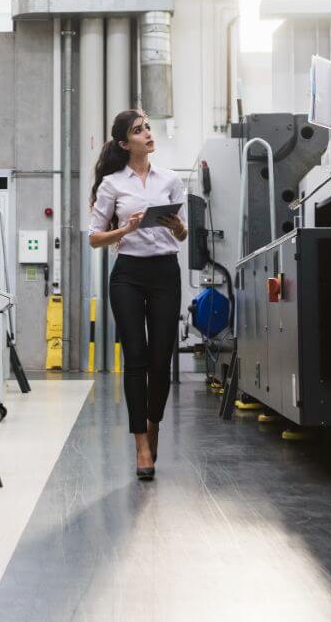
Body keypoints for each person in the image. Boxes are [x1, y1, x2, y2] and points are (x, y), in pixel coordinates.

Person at [88, 109, 187, 481]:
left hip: (165, 272)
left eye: (147, 127)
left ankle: (153, 421)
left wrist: (178, 226)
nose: (147, 133)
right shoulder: (112, 184)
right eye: (138, 130)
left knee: (161, 360)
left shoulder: (171, 180)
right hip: (128, 274)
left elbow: (182, 236)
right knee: (136, 359)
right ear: (123, 143)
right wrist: (124, 230)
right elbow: (95, 237)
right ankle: (141, 444)